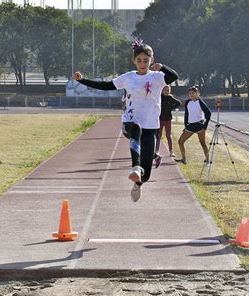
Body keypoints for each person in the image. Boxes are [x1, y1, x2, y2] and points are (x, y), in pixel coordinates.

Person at [73, 38, 178, 202]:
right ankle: (135, 166)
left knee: (147, 174)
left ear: (152, 60)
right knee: (136, 128)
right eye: (139, 60)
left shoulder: (157, 77)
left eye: (146, 60)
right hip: (130, 122)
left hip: (151, 125)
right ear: (134, 61)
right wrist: (82, 80)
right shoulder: (128, 77)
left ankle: (138, 183)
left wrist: (163, 67)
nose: (142, 64)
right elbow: (106, 85)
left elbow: (174, 76)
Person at [174, 86, 211, 165]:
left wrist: (205, 127)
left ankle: (208, 161)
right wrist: (185, 126)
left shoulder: (200, 102)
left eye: (193, 93)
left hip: (199, 125)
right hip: (190, 126)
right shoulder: (188, 102)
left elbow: (208, 113)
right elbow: (186, 114)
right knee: (180, 141)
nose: (191, 95)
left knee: (202, 143)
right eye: (190, 93)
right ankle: (184, 159)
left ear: (197, 94)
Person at [154, 85, 181, 166]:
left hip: (168, 119)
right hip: (160, 119)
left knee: (168, 135)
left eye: (168, 90)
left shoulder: (170, 98)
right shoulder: (159, 97)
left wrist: (171, 107)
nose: (166, 91)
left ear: (170, 91)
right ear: (162, 90)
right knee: (158, 135)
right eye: (165, 90)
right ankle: (157, 150)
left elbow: (178, 103)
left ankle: (171, 151)